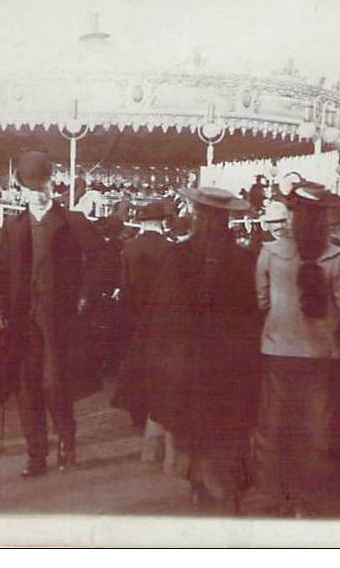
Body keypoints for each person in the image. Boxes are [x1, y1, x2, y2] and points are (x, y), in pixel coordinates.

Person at [141, 187, 260, 513]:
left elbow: (165, 313)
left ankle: (200, 484)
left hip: (192, 362)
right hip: (230, 363)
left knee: (193, 426)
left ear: (196, 218)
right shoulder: (243, 258)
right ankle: (229, 489)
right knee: (229, 427)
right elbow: (253, 314)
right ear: (226, 221)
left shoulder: (180, 256)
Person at [0, 151, 105, 477]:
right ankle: (35, 454)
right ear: (21, 190)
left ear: (53, 185)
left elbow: (102, 259)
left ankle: (66, 440)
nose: (38, 194)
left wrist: (85, 296)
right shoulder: (12, 226)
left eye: (43, 186)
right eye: (31, 188)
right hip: (22, 320)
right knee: (27, 388)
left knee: (55, 385)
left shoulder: (73, 222)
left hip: (59, 320)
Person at [253, 185, 340, 517]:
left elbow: (261, 300)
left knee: (275, 423)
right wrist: (324, 328)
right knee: (315, 425)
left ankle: (276, 495)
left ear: (292, 217)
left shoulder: (270, 253)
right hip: (320, 353)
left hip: (277, 349)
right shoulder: (337, 257)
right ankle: (308, 500)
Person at [112, 199, 175, 439]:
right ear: (162, 222)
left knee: (136, 362)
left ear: (142, 222)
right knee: (160, 363)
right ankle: (156, 411)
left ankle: (137, 413)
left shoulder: (130, 247)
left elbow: (124, 284)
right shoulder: (171, 248)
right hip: (162, 314)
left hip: (134, 313)